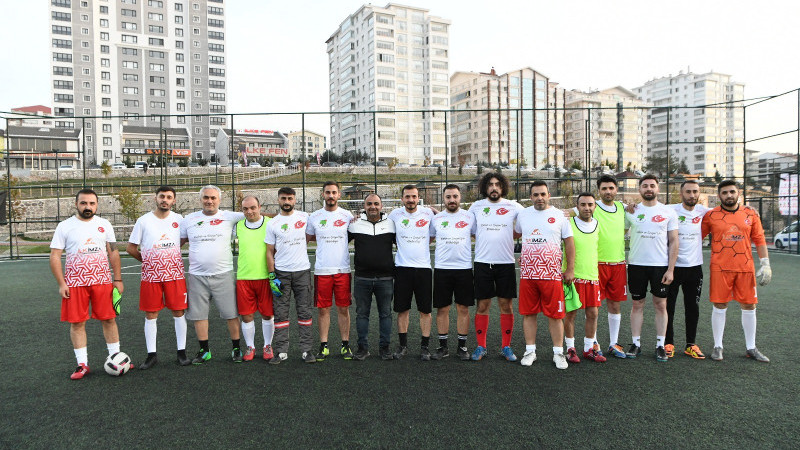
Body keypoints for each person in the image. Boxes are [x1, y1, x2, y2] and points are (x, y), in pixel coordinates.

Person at [49, 188, 128, 379]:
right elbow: (55, 256)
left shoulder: (104, 224)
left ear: (97, 205)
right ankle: (82, 365)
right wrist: (61, 283)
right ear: (76, 204)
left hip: (102, 281)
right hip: (75, 283)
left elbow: (113, 252)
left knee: (109, 319)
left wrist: (117, 279)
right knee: (77, 323)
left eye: (92, 203)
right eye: (83, 203)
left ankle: (115, 358)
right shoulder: (65, 226)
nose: (87, 207)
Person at [701, 180, 771, 362]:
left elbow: (760, 239)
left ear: (738, 193)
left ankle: (751, 347)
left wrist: (765, 264)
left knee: (749, 306)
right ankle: (718, 346)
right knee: (719, 305)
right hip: (720, 268)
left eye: (732, 192)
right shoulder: (711, 215)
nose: (728, 195)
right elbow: (695, 236)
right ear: (719, 196)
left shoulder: (750, 214)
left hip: (745, 268)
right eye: (724, 193)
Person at [180, 185, 245, 364]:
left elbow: (255, 216)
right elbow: (177, 243)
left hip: (223, 274)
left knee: (231, 314)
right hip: (197, 277)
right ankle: (204, 351)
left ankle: (236, 349)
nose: (209, 201)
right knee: (199, 315)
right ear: (200, 199)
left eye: (213, 198)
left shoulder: (230, 217)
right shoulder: (189, 220)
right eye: (206, 197)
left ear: (219, 200)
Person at [126, 186, 190, 369]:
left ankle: (181, 352)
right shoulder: (144, 221)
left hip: (174, 274)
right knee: (151, 314)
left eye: (169, 197)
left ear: (174, 201)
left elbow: (184, 239)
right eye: (162, 196)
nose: (165, 200)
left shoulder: (179, 220)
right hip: (151, 276)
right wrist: (147, 261)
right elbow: (130, 248)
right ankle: (151, 355)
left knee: (178, 312)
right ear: (156, 198)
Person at [515, 181, 575, 369]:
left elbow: (570, 243)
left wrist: (570, 269)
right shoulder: (523, 215)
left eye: (543, 194)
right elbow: (514, 236)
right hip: (528, 274)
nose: (539, 198)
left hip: (552, 275)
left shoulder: (559, 215)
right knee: (529, 314)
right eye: (535, 195)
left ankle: (558, 353)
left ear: (549, 195)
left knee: (555, 316)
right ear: (530, 197)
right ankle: (530, 351)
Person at [468, 172, 524, 362]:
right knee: (482, 305)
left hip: (505, 263)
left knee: (505, 305)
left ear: (503, 188)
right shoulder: (476, 207)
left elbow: (530, 220)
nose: (494, 188)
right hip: (483, 263)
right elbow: (468, 229)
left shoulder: (513, 206)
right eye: (490, 184)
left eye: (497, 185)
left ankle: (506, 346)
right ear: (485, 187)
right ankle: (481, 346)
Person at [625, 175, 679, 362]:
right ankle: (636, 343)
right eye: (645, 186)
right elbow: (620, 232)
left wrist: (671, 269)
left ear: (658, 189)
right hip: (636, 265)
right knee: (637, 304)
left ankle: (660, 345)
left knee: (660, 304)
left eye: (652, 186)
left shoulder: (668, 212)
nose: (649, 189)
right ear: (639, 190)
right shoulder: (630, 211)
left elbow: (673, 241)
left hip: (660, 266)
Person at [265, 187, 315, 364]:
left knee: (305, 311)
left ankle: (307, 350)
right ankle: (280, 352)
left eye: (290, 198)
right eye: (284, 198)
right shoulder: (272, 223)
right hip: (281, 274)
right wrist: (272, 276)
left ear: (295, 200)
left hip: (302, 272)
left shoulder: (305, 217)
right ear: (278, 200)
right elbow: (269, 252)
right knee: (280, 313)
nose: (287, 202)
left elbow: (312, 236)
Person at [306, 181, 355, 360]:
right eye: (328, 192)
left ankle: (345, 345)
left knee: (343, 308)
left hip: (342, 269)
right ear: (323, 194)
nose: (331, 196)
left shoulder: (347, 215)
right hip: (322, 270)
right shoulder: (315, 216)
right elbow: (306, 238)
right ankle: (324, 345)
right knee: (323, 310)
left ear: (339, 195)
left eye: (334, 192)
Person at [388, 185, 435, 360]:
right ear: (402, 199)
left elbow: (432, 234)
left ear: (418, 197)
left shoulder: (428, 214)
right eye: (407, 197)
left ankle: (425, 347)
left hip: (423, 269)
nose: (411, 200)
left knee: (425, 311)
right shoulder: (395, 215)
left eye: (414, 196)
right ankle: (403, 346)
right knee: (403, 310)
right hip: (402, 269)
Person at [430, 184, 475, 361]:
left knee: (463, 308)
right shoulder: (437, 218)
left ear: (460, 197)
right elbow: (430, 237)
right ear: (444, 198)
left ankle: (462, 346)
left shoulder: (470, 217)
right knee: (442, 308)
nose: (452, 200)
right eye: (448, 197)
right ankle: (443, 347)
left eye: (455, 196)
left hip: (464, 269)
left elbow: (479, 235)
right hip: (442, 269)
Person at [348, 194, 396, 361]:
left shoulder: (391, 224)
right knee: (362, 315)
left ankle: (385, 348)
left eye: (376, 204)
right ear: (364, 206)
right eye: (369, 204)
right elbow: (340, 242)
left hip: (385, 278)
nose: (373, 207)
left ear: (381, 206)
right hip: (362, 278)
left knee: (385, 314)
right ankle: (362, 348)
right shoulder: (354, 224)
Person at [665, 180, 709, 359]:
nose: (692, 195)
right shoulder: (670, 210)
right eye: (688, 192)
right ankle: (668, 343)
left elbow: (727, 212)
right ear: (681, 193)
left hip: (695, 268)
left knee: (693, 307)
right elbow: (647, 207)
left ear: (699, 194)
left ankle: (691, 344)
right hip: (672, 268)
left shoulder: (704, 212)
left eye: (695, 192)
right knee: (669, 307)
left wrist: (748, 209)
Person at [563, 192, 607, 364]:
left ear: (595, 206)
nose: (587, 208)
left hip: (592, 277)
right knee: (571, 314)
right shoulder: (568, 223)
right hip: (572, 276)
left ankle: (589, 348)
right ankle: (570, 349)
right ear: (577, 207)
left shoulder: (597, 224)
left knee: (593, 313)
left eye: (590, 205)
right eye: (583, 205)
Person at [235, 196, 275, 362]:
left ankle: (267, 345)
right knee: (246, 315)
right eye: (245, 209)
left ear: (260, 206)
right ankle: (250, 346)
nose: (249, 211)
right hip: (244, 277)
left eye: (253, 207)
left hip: (265, 276)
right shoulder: (237, 225)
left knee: (267, 315)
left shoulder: (270, 223)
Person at [593, 175, 629, 359]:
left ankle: (613, 343)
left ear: (616, 189)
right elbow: (570, 213)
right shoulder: (592, 206)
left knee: (615, 304)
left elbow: (622, 231)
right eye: (604, 188)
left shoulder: (623, 208)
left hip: (618, 265)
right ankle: (594, 343)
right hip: (596, 265)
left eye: (611, 188)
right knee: (594, 307)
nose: (608, 191)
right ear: (598, 190)